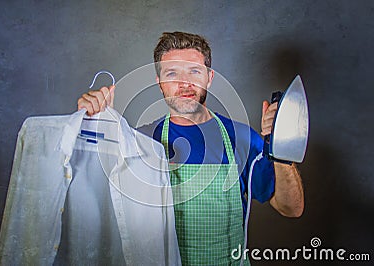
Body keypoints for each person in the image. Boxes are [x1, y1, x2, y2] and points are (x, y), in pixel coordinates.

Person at [77, 31, 304, 265]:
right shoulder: (140, 141)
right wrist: (93, 126)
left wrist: (281, 147)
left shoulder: (243, 139)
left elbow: (291, 208)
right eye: (172, 73)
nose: (184, 83)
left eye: (194, 71)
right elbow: (97, 206)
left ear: (209, 77)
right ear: (159, 82)